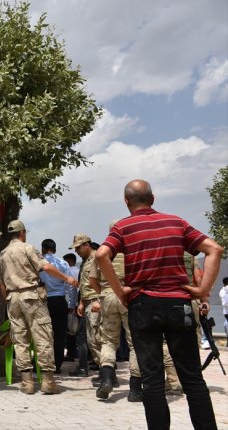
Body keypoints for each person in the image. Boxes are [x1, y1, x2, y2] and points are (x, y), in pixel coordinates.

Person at [95, 179, 223, 430]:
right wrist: (203, 290)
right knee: (192, 378)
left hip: (143, 306)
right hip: (178, 305)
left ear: (126, 201)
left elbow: (101, 255)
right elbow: (215, 249)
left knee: (152, 381)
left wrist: (121, 291)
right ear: (153, 199)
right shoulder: (177, 222)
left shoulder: (123, 227)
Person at [0, 220, 78, 395]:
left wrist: (8, 301)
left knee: (20, 340)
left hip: (13, 298)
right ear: (22, 233)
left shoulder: (1, 255)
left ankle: (27, 383)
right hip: (32, 296)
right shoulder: (28, 249)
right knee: (43, 336)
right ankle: (48, 381)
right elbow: (46, 267)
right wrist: (67, 278)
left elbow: (1, 284)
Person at [89, 222, 138, 401]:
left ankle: (107, 380)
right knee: (134, 343)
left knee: (108, 341)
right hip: (128, 297)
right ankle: (134, 390)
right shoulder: (132, 250)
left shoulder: (102, 251)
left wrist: (102, 293)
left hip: (107, 296)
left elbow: (92, 279)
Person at [69, 234, 101, 377]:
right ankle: (105, 373)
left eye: (78, 248)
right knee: (90, 339)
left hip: (96, 302)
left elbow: (105, 282)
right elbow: (85, 284)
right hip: (87, 302)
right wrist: (81, 302)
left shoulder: (98, 258)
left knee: (97, 339)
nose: (76, 251)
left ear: (86, 245)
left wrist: (99, 300)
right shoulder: (85, 261)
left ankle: (108, 375)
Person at [39, 239, 72, 374]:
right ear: (55, 249)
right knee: (59, 335)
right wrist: (71, 304)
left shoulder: (38, 264)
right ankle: (57, 365)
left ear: (42, 249)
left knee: (43, 335)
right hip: (59, 301)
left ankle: (44, 364)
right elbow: (70, 285)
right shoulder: (63, 263)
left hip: (43, 301)